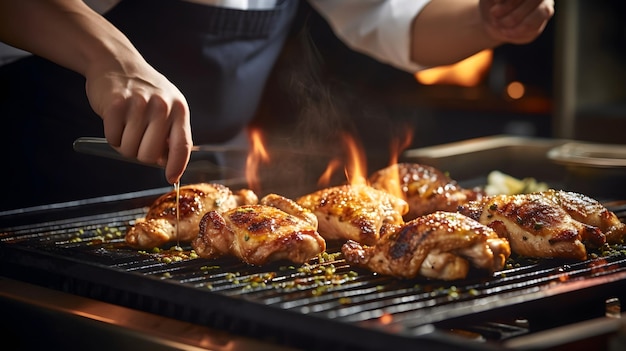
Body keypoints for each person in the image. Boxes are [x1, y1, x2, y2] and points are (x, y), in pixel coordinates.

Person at [0, 0, 554, 210]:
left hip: (198, 192)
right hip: (37, 182)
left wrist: (486, 21)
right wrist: (114, 60)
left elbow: (394, 23)